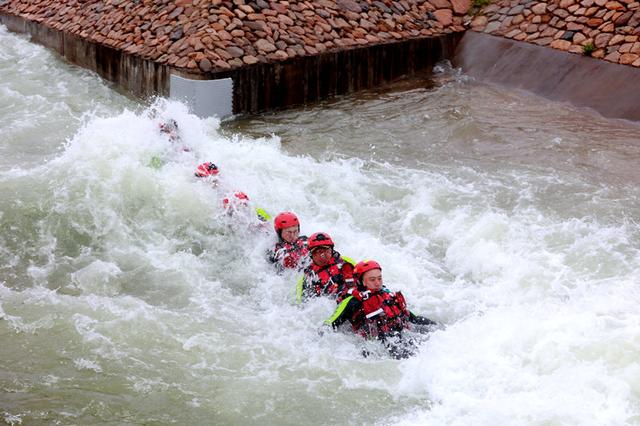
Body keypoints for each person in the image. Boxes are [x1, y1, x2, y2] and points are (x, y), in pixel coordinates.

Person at [324, 259, 437, 359]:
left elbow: (411, 317)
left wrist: (436, 326)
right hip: (375, 346)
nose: (377, 283)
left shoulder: (388, 294)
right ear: (361, 282)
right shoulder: (352, 302)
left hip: (401, 336)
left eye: (379, 278)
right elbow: (329, 324)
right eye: (372, 280)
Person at [296, 232, 354, 303]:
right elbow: (305, 303)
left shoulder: (344, 262)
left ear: (332, 250)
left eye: (326, 250)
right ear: (311, 254)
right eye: (319, 252)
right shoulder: (309, 276)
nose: (323, 255)